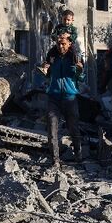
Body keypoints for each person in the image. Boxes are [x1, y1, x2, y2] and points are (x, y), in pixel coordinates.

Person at [39, 32, 83, 165]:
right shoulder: (52, 56)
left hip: (70, 97)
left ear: (69, 43)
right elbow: (48, 75)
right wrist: (45, 70)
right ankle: (55, 160)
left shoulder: (75, 57)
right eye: (58, 43)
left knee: (73, 128)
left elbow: (81, 78)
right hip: (54, 97)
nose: (60, 46)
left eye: (63, 43)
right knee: (52, 129)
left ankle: (78, 156)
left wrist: (79, 70)